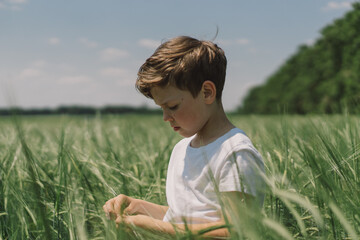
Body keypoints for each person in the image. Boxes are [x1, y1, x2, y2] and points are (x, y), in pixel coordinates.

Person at [103, 36, 265, 238]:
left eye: (172, 107)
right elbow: (181, 219)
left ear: (207, 92)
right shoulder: (181, 148)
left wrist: (154, 227)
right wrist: (138, 207)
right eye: (162, 108)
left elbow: (237, 230)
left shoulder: (236, 153)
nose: (165, 117)